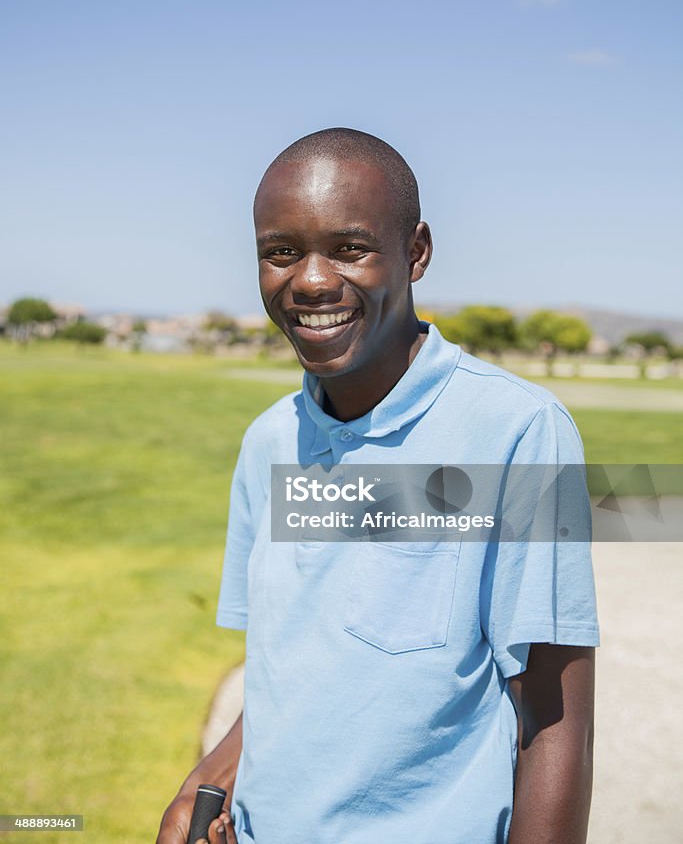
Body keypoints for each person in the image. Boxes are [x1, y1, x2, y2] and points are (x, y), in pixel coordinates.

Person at [156, 128, 599, 844]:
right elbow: (286, 667)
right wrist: (207, 781)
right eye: (280, 251)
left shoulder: (519, 433)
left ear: (415, 251)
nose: (310, 280)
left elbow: (553, 720)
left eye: (349, 247)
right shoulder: (270, 441)